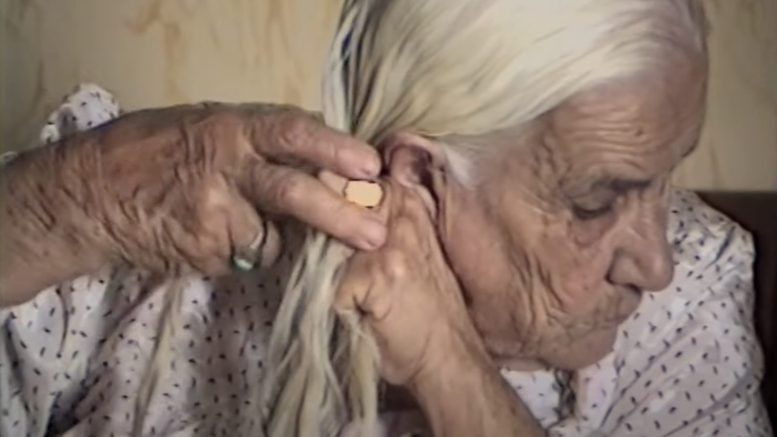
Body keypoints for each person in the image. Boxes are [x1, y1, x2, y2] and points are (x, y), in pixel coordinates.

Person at [0, 1, 771, 437]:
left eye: (665, 178)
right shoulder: (154, 218)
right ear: (419, 177)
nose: (655, 262)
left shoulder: (690, 296)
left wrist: (450, 366)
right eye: (595, 201)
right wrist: (63, 203)